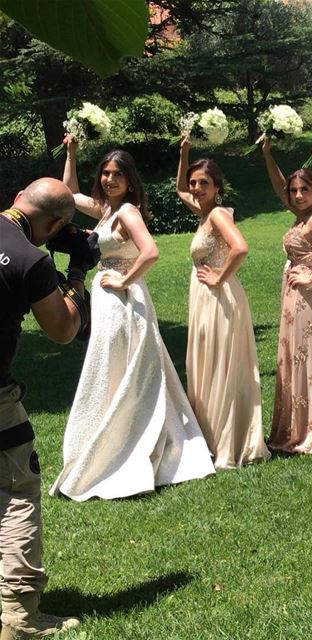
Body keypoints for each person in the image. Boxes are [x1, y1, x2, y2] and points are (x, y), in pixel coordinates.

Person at [50, 142, 214, 501]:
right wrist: (72, 154)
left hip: (125, 300)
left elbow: (150, 251)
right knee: (112, 368)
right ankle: (111, 434)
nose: (109, 179)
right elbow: (68, 193)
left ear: (129, 180)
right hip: (109, 300)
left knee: (127, 369)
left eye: (117, 174)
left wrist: (124, 280)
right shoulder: (106, 210)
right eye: (106, 173)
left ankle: (132, 439)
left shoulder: (127, 211)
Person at [0, 178, 92, 637]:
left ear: (18, 198)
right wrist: (76, 275)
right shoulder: (30, 259)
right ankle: (19, 617)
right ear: (56, 224)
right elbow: (62, 329)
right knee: (17, 492)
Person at [176, 139, 270, 468]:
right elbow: (178, 188)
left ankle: (230, 439)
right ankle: (212, 434)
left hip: (219, 298)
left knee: (221, 364)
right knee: (207, 362)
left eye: (204, 183)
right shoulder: (204, 214)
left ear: (218, 188)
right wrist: (184, 153)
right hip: (204, 298)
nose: (196, 188)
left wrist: (220, 277)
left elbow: (240, 247)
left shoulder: (216, 214)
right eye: (194, 183)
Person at [261, 136, 312, 454]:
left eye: (303, 190)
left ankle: (311, 427)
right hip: (296, 297)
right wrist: (268, 154)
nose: (296, 195)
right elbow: (278, 185)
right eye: (294, 191)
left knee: (307, 357)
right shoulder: (300, 216)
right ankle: (295, 425)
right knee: (295, 357)